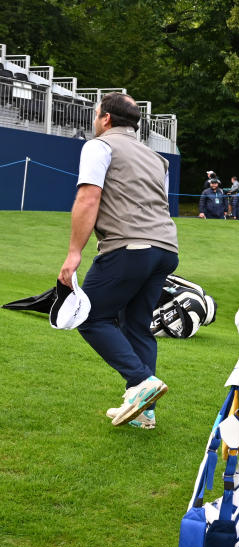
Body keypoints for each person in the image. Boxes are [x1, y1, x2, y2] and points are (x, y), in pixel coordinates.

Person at [58, 93, 179, 428]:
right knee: (137, 326)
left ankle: (142, 383)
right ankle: (143, 411)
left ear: (106, 118)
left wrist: (73, 253)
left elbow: (88, 197)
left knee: (89, 316)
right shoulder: (157, 158)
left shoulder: (99, 146)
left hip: (129, 247)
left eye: (97, 114)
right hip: (166, 249)